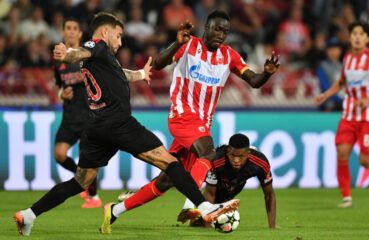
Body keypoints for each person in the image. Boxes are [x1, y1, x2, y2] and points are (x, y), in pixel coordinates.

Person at [13, 12, 239, 236]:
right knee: (171, 163)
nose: (121, 42)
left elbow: (119, 74)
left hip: (96, 128)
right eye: (119, 35)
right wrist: (67, 53)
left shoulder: (102, 59)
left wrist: (141, 73)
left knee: (80, 182)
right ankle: (204, 206)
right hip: (118, 123)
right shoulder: (97, 46)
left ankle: (29, 214)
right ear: (105, 31)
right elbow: (79, 52)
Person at [111, 10, 279, 224]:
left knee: (167, 180)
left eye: (225, 31)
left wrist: (267, 73)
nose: (221, 34)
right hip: (182, 116)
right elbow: (158, 65)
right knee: (208, 152)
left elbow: (254, 81)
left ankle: (116, 210)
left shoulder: (229, 56)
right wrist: (176, 43)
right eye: (217, 29)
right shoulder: (189, 46)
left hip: (201, 123)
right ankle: (193, 205)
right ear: (206, 28)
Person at [314, 21, 369, 208]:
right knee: (342, 152)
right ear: (350, 37)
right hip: (349, 115)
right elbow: (341, 82)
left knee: (366, 162)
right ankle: (346, 197)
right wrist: (325, 95)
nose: (357, 37)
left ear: (367, 39)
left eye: (361, 34)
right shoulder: (347, 59)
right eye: (354, 34)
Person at [120, 134, 277, 228]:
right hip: (214, 177)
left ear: (248, 154)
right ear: (228, 152)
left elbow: (269, 195)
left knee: (201, 222)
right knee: (175, 178)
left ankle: (197, 220)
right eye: (233, 156)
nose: (236, 160)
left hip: (233, 185)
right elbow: (209, 191)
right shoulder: (217, 161)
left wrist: (272, 227)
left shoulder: (260, 163)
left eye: (241, 157)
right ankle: (140, 192)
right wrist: (209, 227)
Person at [53, 17, 101, 208]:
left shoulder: (86, 55)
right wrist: (61, 93)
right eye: (68, 28)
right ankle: (80, 181)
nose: (71, 31)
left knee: (86, 160)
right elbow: (58, 83)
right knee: (59, 154)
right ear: (63, 32)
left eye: (75, 28)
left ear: (80, 34)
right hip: (70, 115)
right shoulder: (57, 56)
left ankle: (94, 197)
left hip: (89, 115)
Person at [316, 37, 343, 111]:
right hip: (330, 102)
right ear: (327, 51)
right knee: (330, 104)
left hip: (343, 101)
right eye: (331, 49)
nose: (333, 51)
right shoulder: (323, 67)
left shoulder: (343, 66)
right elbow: (325, 87)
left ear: (340, 50)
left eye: (336, 48)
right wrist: (341, 100)